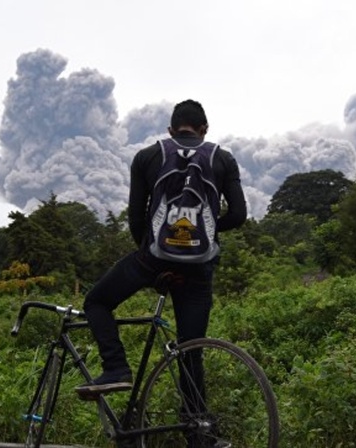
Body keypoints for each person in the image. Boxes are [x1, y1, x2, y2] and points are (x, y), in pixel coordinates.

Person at [76, 99, 247, 396]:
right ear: (204, 129)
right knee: (190, 351)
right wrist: (202, 229)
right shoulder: (224, 159)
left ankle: (116, 368)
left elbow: (135, 218)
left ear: (170, 130)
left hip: (152, 261)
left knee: (97, 303)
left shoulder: (147, 156)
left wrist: (153, 256)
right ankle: (198, 431)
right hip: (199, 268)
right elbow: (238, 215)